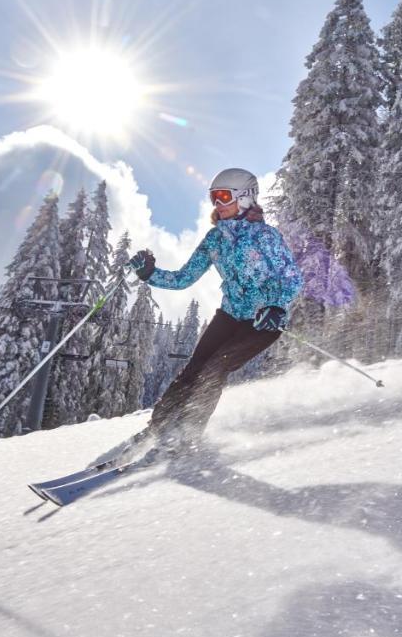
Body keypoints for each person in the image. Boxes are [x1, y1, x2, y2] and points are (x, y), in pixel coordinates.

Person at [126, 167, 303, 456]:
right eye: (213, 198)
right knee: (193, 370)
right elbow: (184, 278)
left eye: (223, 197)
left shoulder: (266, 237)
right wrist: (149, 274)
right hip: (229, 315)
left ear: (245, 198)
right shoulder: (215, 239)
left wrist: (277, 305)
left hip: (262, 322)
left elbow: (293, 279)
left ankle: (187, 435)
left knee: (215, 369)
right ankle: (158, 426)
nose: (217, 205)